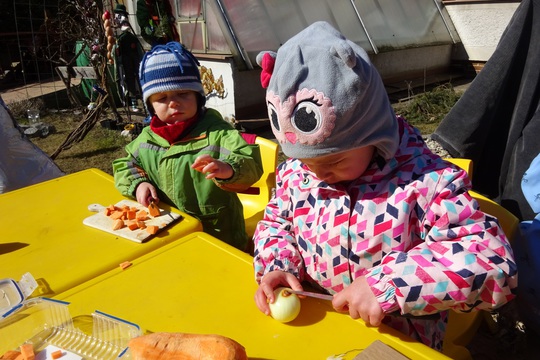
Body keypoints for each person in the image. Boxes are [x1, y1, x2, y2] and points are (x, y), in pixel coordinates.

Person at [252, 21, 517, 351]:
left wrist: (390, 284)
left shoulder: (427, 184)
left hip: (396, 340)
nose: (317, 174)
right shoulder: (297, 174)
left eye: (333, 161)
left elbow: (493, 263)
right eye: (307, 162)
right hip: (320, 327)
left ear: (373, 134)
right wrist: (277, 265)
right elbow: (277, 223)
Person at [113, 42, 263, 251]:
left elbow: (249, 161)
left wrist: (229, 170)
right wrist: (138, 183)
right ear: (151, 106)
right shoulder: (147, 138)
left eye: (183, 94)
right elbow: (125, 165)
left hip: (218, 235)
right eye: (162, 98)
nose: (173, 103)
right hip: (168, 233)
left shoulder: (218, 133)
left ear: (198, 97)